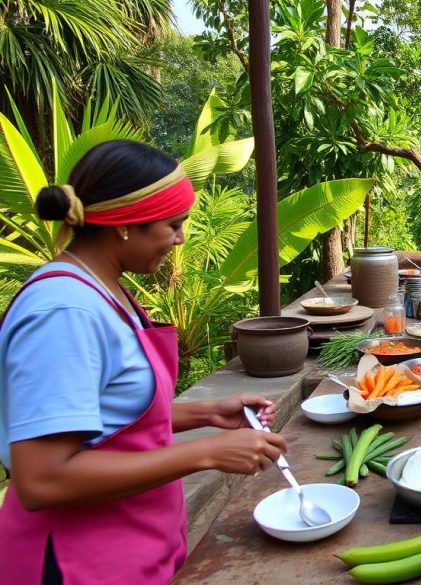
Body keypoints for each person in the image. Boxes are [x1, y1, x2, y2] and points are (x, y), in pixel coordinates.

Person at [0, 140, 288, 584]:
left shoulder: (103, 287)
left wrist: (203, 414)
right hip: (77, 563)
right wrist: (206, 452)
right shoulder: (63, 311)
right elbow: (41, 479)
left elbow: (103, 415)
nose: (180, 238)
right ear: (124, 226)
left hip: (132, 546)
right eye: (173, 225)